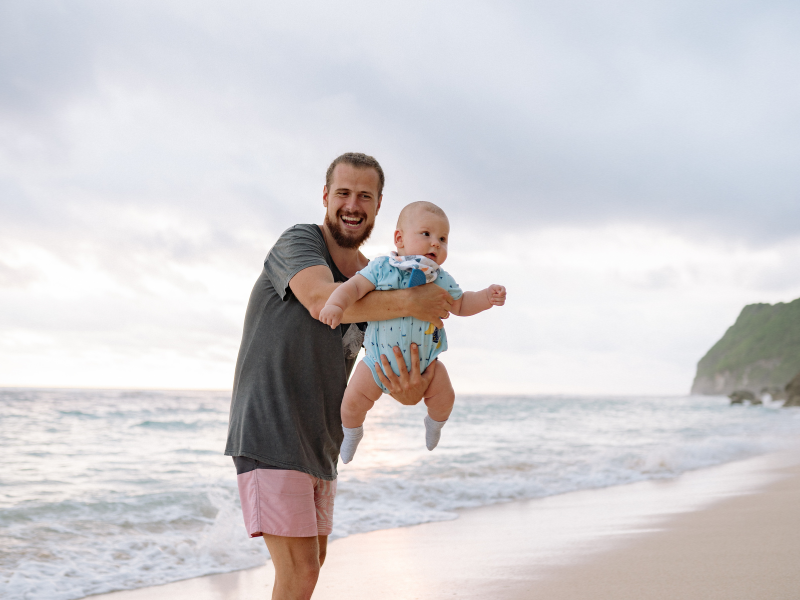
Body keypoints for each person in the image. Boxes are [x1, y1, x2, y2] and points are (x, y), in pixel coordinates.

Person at [224, 152, 454, 600]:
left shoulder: (379, 277)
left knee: (311, 569)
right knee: (301, 572)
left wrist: (413, 389)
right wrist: (412, 302)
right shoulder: (299, 242)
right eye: (343, 193)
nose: (353, 204)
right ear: (326, 196)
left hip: (322, 442)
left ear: (379, 205)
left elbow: (392, 370)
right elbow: (320, 300)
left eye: (364, 196)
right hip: (270, 429)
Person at [318, 201, 506, 462]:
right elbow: (354, 288)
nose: (436, 244)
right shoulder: (382, 268)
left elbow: (461, 304)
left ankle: (435, 424)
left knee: (445, 397)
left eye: (443, 238)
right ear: (400, 239)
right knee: (351, 403)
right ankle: (352, 433)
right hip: (376, 363)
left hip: (427, 365)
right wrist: (336, 305)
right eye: (427, 234)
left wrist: (486, 297)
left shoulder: (441, 278)